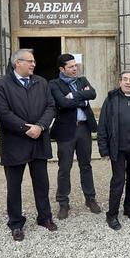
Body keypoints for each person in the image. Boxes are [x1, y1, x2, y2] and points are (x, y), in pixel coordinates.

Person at [0, 49, 57, 241]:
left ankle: (45, 217)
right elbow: (2, 113)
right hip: (15, 142)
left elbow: (50, 106)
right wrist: (25, 128)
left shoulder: (41, 82)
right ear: (17, 63)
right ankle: (16, 223)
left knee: (42, 183)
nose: (33, 64)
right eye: (29, 61)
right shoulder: (1, 84)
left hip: (39, 140)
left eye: (34, 61)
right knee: (14, 186)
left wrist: (41, 126)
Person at [97, 70, 130, 230]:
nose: (128, 82)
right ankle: (112, 214)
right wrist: (103, 148)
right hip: (117, 149)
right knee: (118, 181)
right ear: (120, 81)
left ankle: (129, 208)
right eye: (125, 79)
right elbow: (103, 125)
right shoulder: (111, 99)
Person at [49, 53, 100, 218]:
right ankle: (63, 203)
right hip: (65, 131)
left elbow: (93, 94)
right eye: (71, 67)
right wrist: (82, 99)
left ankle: (90, 199)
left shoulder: (82, 80)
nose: (74, 69)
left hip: (84, 129)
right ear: (62, 69)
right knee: (64, 168)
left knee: (86, 165)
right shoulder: (53, 84)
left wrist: (73, 96)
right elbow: (62, 103)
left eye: (75, 66)